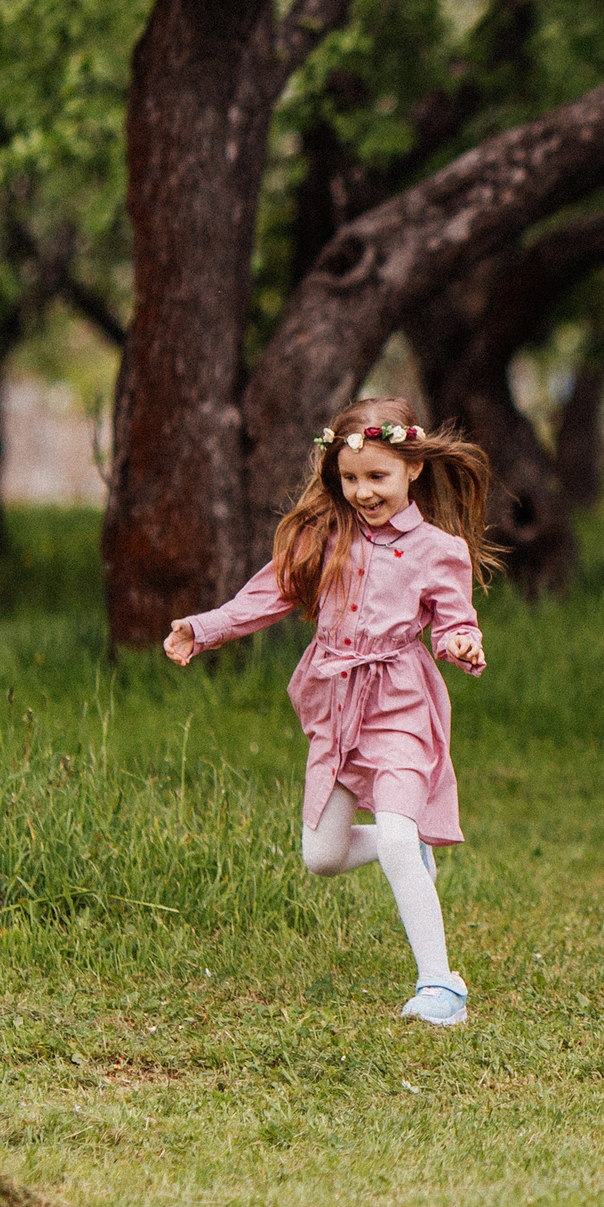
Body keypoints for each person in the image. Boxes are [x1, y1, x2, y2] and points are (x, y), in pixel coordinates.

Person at [163, 396, 499, 1028]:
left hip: (399, 702)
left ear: (412, 469)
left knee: (399, 833)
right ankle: (408, 852)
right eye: (350, 479)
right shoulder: (325, 537)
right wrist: (203, 629)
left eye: (378, 477)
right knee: (320, 856)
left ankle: (440, 985)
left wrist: (461, 643)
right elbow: (267, 596)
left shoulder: (438, 550)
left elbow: (456, 621)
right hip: (334, 706)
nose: (363, 492)